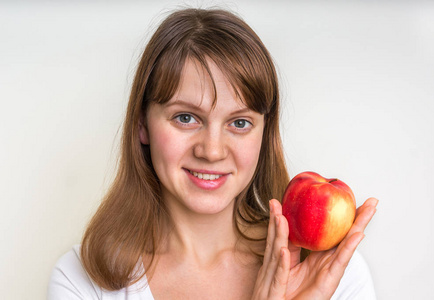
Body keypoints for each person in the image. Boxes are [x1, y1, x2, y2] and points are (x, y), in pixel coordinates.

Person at [48, 7, 378, 299]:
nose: (212, 150)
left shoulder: (333, 276)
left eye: (239, 122)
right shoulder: (81, 280)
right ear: (142, 125)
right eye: (186, 118)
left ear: (264, 133)